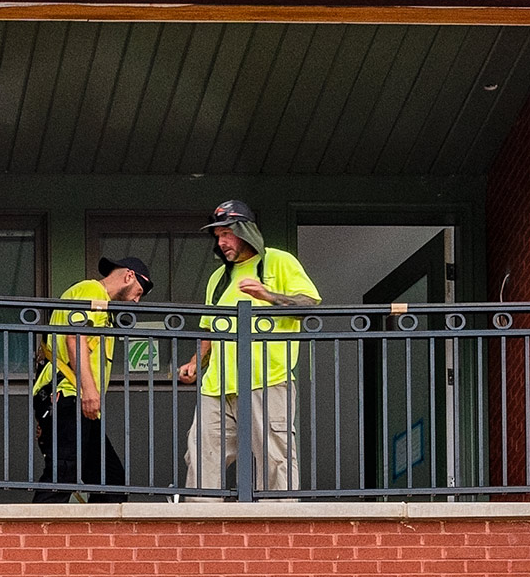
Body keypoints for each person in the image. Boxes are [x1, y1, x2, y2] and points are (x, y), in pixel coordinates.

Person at [175, 201, 320, 493]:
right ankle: (201, 520)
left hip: (267, 378)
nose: (221, 242)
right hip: (216, 386)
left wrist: (266, 294)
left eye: (227, 233)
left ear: (245, 231)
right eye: (217, 236)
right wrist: (195, 362)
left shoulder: (279, 261)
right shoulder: (218, 278)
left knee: (274, 457)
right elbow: (210, 328)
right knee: (202, 456)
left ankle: (280, 522)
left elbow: (310, 305)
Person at [33, 256, 150, 503]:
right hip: (70, 394)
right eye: (139, 292)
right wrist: (88, 391)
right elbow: (75, 339)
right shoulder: (93, 291)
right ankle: (39, 537)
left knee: (110, 479)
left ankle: (99, 540)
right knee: (62, 474)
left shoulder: (101, 303)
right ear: (129, 276)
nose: (137, 301)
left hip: (73, 398)